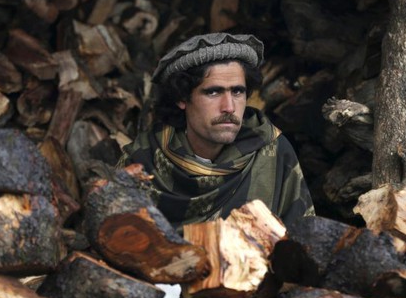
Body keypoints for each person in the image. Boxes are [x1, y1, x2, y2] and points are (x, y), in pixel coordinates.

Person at [117, 32, 315, 229]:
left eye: (237, 91)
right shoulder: (143, 160)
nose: (229, 106)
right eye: (213, 92)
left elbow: (303, 242)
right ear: (182, 98)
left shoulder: (273, 152)